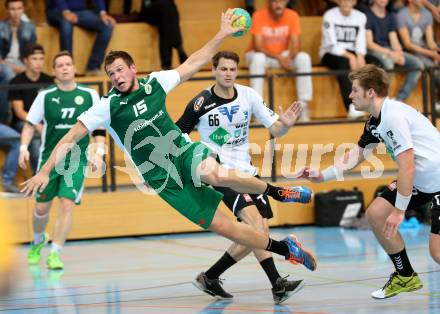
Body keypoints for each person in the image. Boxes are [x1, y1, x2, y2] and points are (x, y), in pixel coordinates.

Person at [21, 10, 317, 274]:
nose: (116, 77)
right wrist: (45, 171)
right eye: (111, 74)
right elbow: (69, 137)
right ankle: (286, 249)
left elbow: (195, 61)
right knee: (226, 228)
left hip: (181, 150)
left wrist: (223, 33)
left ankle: (278, 191)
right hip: (161, 176)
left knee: (214, 173)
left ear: (133, 68)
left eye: (120, 70)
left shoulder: (155, 83)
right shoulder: (106, 106)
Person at [176, 50, 308, 304]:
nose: (228, 74)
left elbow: (276, 128)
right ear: (214, 70)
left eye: (232, 69)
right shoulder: (201, 102)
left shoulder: (249, 95)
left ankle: (210, 277)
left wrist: (287, 124)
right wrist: (193, 157)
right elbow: (178, 133)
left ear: (237, 71)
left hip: (248, 172)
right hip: (223, 175)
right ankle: (278, 285)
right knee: (257, 225)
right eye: (223, 69)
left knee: (257, 231)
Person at [298, 64, 440, 299]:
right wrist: (322, 175)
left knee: (437, 253)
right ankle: (405, 276)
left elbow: (408, 164)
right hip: (423, 180)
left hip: (435, 180)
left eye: (354, 90)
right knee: (375, 213)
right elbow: (357, 154)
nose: (350, 95)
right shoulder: (375, 121)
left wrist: (399, 211)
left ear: (370, 92)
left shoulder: (393, 116)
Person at [19, 51, 106, 270]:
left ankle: (55, 253)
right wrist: (23, 148)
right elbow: (30, 124)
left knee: (67, 205)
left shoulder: (89, 95)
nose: (64, 68)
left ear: (74, 68)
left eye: (68, 64)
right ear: (55, 71)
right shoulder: (46, 96)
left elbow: (100, 128)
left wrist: (98, 153)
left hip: (76, 162)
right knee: (41, 209)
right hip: (49, 162)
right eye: (59, 65)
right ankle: (38, 240)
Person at [246, 0, 313, 121]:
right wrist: (279, 58)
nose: (278, 4)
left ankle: (303, 106)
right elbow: (257, 46)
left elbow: (296, 45)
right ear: (269, 3)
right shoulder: (258, 15)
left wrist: (288, 59)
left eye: (282, 1)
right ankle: (257, 110)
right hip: (261, 55)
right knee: (258, 58)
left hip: (281, 56)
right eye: (275, 1)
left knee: (303, 58)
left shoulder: (292, 15)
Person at [320, 0, 379, 119]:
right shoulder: (329, 15)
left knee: (376, 63)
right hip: (330, 53)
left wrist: (360, 55)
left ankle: (376, 102)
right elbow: (330, 44)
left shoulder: (361, 16)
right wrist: (350, 56)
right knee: (344, 63)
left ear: (354, 2)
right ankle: (351, 107)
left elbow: (361, 40)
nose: (346, 2)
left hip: (353, 52)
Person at [365, 0, 423, 102]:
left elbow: (394, 39)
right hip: (373, 51)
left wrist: (399, 53)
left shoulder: (390, 16)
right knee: (388, 63)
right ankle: (382, 100)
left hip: (389, 51)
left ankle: (399, 99)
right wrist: (389, 53)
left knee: (418, 65)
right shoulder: (367, 15)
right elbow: (369, 44)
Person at [8, 43, 53, 173]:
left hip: (45, 121)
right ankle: (38, 173)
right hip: (22, 122)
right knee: (34, 135)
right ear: (25, 60)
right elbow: (19, 111)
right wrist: (37, 124)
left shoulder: (48, 80)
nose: (38, 62)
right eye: (34, 59)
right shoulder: (16, 81)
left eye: (41, 59)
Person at [45, 0, 116, 75]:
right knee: (66, 24)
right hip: (56, 11)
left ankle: (93, 67)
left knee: (107, 25)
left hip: (80, 11)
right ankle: (67, 66)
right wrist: (65, 11)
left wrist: (103, 13)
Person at [396, 0, 440, 110]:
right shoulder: (402, 15)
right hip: (409, 53)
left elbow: (430, 42)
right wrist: (431, 54)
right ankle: (435, 102)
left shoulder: (427, 14)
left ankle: (437, 101)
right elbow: (407, 44)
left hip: (423, 52)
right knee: (434, 68)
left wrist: (436, 51)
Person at [0, 0, 36, 110]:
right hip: (4, 62)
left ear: (23, 9)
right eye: (12, 9)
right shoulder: (1, 27)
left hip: (22, 62)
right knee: (8, 74)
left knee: (36, 75)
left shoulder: (29, 27)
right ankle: (6, 116)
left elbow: (32, 52)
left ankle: (26, 113)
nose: (16, 12)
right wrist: (13, 67)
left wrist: (29, 67)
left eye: (19, 8)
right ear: (7, 10)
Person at [137, 0, 188, 70]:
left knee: (167, 21)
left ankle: (167, 64)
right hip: (148, 10)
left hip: (164, 14)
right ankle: (178, 46)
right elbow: (146, 4)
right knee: (167, 9)